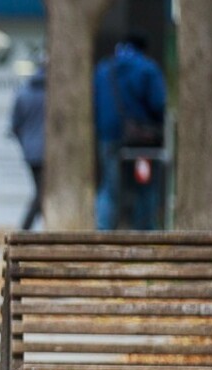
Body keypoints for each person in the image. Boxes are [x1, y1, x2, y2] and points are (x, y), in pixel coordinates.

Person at [92, 34, 167, 230]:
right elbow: (158, 103)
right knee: (145, 187)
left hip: (108, 137)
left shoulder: (103, 69)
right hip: (140, 141)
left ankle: (103, 232)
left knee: (110, 187)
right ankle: (144, 233)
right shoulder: (147, 68)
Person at [10, 62, 46, 231]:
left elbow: (15, 126)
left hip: (31, 151)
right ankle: (25, 230)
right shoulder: (52, 94)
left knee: (41, 193)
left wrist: (25, 144)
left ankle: (27, 230)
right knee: (42, 194)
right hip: (46, 153)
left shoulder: (23, 93)